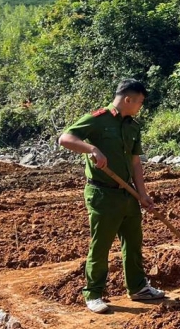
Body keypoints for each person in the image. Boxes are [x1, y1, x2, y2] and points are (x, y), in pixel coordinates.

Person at [58, 79, 164, 314]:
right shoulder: (98, 119)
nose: (140, 107)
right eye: (140, 102)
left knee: (133, 243)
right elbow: (65, 138)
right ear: (128, 99)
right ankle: (93, 294)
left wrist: (143, 195)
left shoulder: (133, 126)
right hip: (102, 194)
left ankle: (138, 288)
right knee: (101, 245)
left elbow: (136, 163)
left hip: (128, 194)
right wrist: (92, 149)